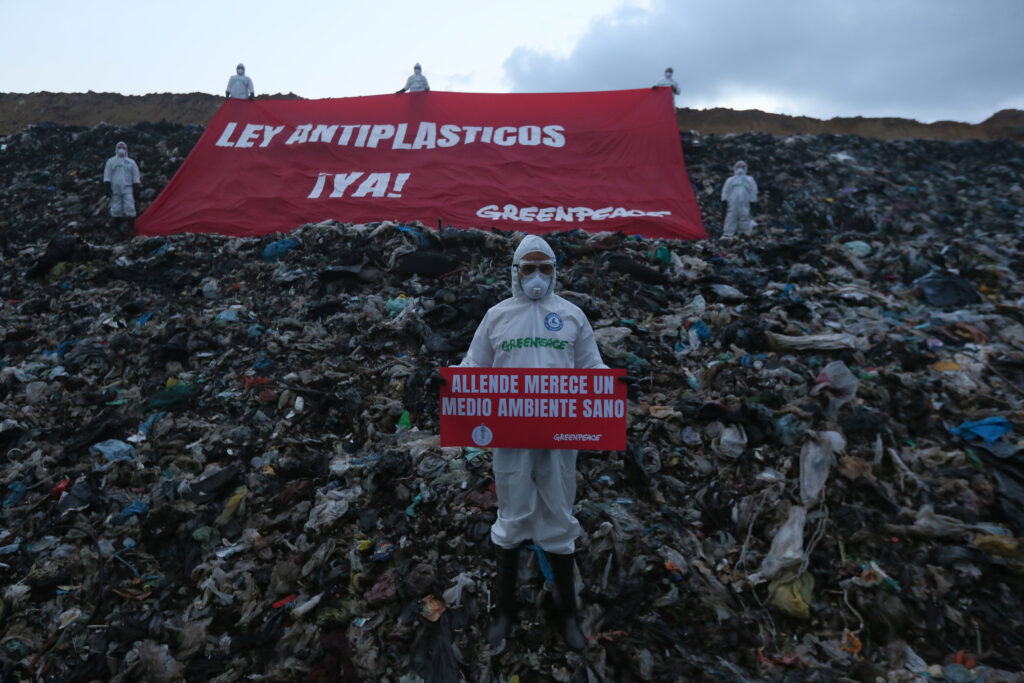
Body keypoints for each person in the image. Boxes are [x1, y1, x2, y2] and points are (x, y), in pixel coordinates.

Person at [458, 234, 606, 652]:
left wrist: (612, 384)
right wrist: (451, 379)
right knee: (512, 512)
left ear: (555, 272)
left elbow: (591, 366)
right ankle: (505, 612)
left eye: (545, 268)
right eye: (529, 268)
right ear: (515, 272)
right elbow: (474, 364)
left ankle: (568, 615)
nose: (537, 277)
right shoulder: (498, 316)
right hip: (510, 433)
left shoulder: (572, 315)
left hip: (560, 434)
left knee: (558, 512)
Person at [103, 141, 141, 232]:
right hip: (115, 189)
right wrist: (107, 187)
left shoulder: (131, 162)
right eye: (119, 147)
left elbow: (135, 175)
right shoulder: (111, 161)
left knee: (130, 207)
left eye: (123, 148)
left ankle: (131, 228)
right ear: (116, 149)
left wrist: (136, 187)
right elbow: (107, 175)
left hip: (128, 188)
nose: (121, 150)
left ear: (126, 150)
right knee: (116, 208)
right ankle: (117, 229)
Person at [721, 160, 758, 238]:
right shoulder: (730, 180)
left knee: (745, 219)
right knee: (730, 219)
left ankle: (742, 236)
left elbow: (753, 191)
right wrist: (724, 201)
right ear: (734, 168)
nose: (740, 169)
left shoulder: (749, 179)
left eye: (742, 167)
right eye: (738, 167)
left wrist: (753, 202)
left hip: (745, 204)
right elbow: (725, 191)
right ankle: (728, 235)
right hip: (732, 204)